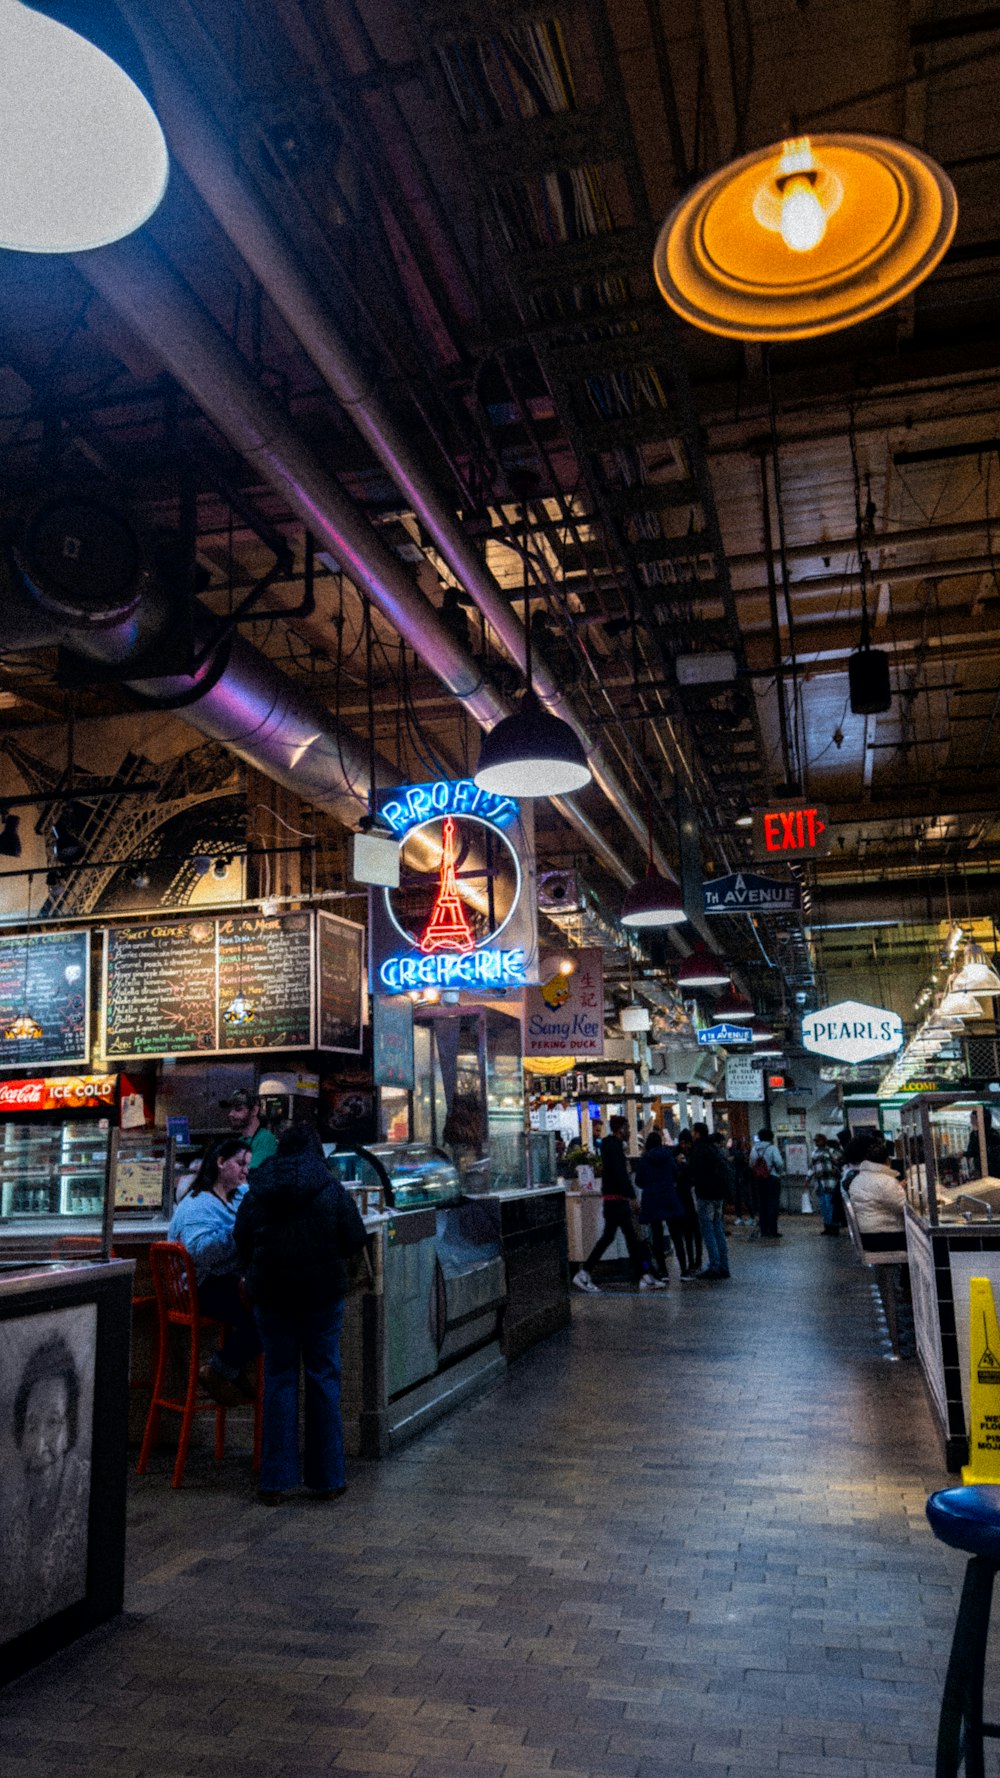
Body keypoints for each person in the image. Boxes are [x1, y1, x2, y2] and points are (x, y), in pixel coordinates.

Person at [234, 1122, 367, 1504]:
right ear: (314, 1150)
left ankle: (274, 1481)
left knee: (279, 1378)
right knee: (323, 1376)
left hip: (272, 1298)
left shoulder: (258, 1188)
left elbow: (240, 1237)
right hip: (322, 1297)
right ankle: (329, 1479)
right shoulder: (329, 1186)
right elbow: (355, 1237)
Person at [4, 1334, 91, 1637]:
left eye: (53, 1422)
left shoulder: (89, 1495)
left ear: (71, 1428)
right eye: (31, 1425)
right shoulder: (14, 1511)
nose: (39, 1445)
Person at [168, 1137, 260, 1407]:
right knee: (269, 1314)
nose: (245, 1170)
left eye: (247, 1165)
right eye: (240, 1163)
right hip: (200, 1287)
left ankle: (230, 1368)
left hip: (227, 1280)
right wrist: (240, 1232)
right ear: (221, 1163)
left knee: (270, 1303)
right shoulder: (199, 1205)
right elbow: (201, 1251)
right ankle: (220, 1370)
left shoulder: (241, 1194)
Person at [573, 1115, 652, 1293]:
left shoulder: (609, 1147)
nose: (630, 1131)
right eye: (627, 1127)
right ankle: (643, 1275)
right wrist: (631, 1197)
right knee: (628, 1238)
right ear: (620, 1129)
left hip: (613, 1201)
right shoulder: (615, 1148)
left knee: (620, 1238)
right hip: (617, 1201)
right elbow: (621, 1175)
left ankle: (643, 1275)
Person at [634, 1131, 683, 1286]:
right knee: (676, 1234)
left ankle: (662, 1271)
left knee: (657, 1236)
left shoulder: (644, 1159)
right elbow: (676, 1175)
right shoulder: (669, 1156)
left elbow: (639, 1181)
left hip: (652, 1199)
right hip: (669, 1196)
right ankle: (685, 1269)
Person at [687, 1123, 731, 1280]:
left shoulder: (699, 1150)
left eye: (693, 1132)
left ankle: (714, 1266)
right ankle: (723, 1266)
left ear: (697, 1133)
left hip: (706, 1194)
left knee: (708, 1230)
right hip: (719, 1195)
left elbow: (694, 1172)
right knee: (718, 1229)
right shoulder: (714, 1149)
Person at [849, 1138, 907, 1235]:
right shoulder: (887, 1181)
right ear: (888, 1160)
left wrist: (897, 1187)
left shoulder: (857, 1179)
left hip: (866, 1232)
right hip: (886, 1233)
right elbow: (902, 1207)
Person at [221, 1088, 279, 1170]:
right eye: (231, 1109)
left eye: (238, 1109)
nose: (231, 1114)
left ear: (254, 1110)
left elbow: (250, 1172)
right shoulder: (240, 1141)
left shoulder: (266, 1139)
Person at [674, 1131, 703, 1279]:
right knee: (692, 1233)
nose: (684, 1146)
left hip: (687, 1198)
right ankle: (693, 1262)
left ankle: (696, 1261)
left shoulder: (689, 1156)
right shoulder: (682, 1155)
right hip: (688, 1198)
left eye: (686, 1143)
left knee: (693, 1233)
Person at [750, 1126, 784, 1239]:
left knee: (762, 1204)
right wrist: (778, 1172)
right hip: (772, 1178)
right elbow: (779, 1163)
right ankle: (773, 1230)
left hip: (759, 1179)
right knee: (773, 1204)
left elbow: (751, 1164)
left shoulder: (754, 1149)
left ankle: (764, 1230)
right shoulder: (772, 1148)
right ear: (771, 1137)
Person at [808, 1133, 842, 1236]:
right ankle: (827, 1226)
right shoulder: (814, 1153)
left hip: (830, 1181)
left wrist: (836, 1168)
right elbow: (811, 1167)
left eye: (818, 1140)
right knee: (824, 1205)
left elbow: (840, 1162)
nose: (817, 1143)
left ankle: (834, 1227)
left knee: (830, 1204)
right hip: (820, 1182)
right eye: (815, 1141)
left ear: (824, 1140)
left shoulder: (831, 1151)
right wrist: (807, 1178)